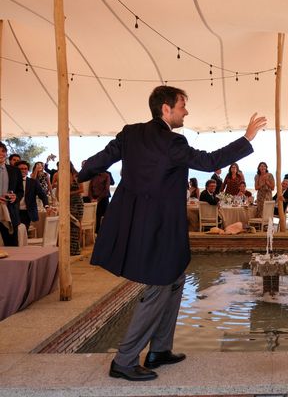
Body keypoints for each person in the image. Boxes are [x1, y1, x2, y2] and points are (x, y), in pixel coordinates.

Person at [78, 85, 266, 382]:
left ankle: (159, 350)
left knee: (176, 277)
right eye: (182, 105)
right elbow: (209, 161)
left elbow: (101, 160)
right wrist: (247, 139)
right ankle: (124, 360)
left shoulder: (131, 133)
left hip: (139, 224)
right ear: (166, 109)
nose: (185, 111)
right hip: (159, 227)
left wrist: (79, 175)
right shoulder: (171, 142)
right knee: (158, 286)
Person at [0, 143, 24, 246]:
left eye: (3, 151)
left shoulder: (15, 171)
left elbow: (20, 191)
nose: (1, 154)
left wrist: (16, 197)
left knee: (12, 246)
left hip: (10, 212)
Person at [16, 161, 48, 231]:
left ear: (28, 170)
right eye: (21, 169)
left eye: (25, 169)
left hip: (27, 212)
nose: (23, 170)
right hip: (14, 211)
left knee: (24, 233)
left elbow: (42, 194)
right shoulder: (11, 181)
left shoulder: (33, 182)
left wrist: (46, 205)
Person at [69, 163, 84, 255]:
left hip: (77, 202)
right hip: (68, 202)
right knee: (70, 225)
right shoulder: (61, 175)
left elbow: (82, 190)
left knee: (77, 224)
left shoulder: (77, 175)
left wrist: (69, 193)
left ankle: (77, 247)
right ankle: (70, 248)